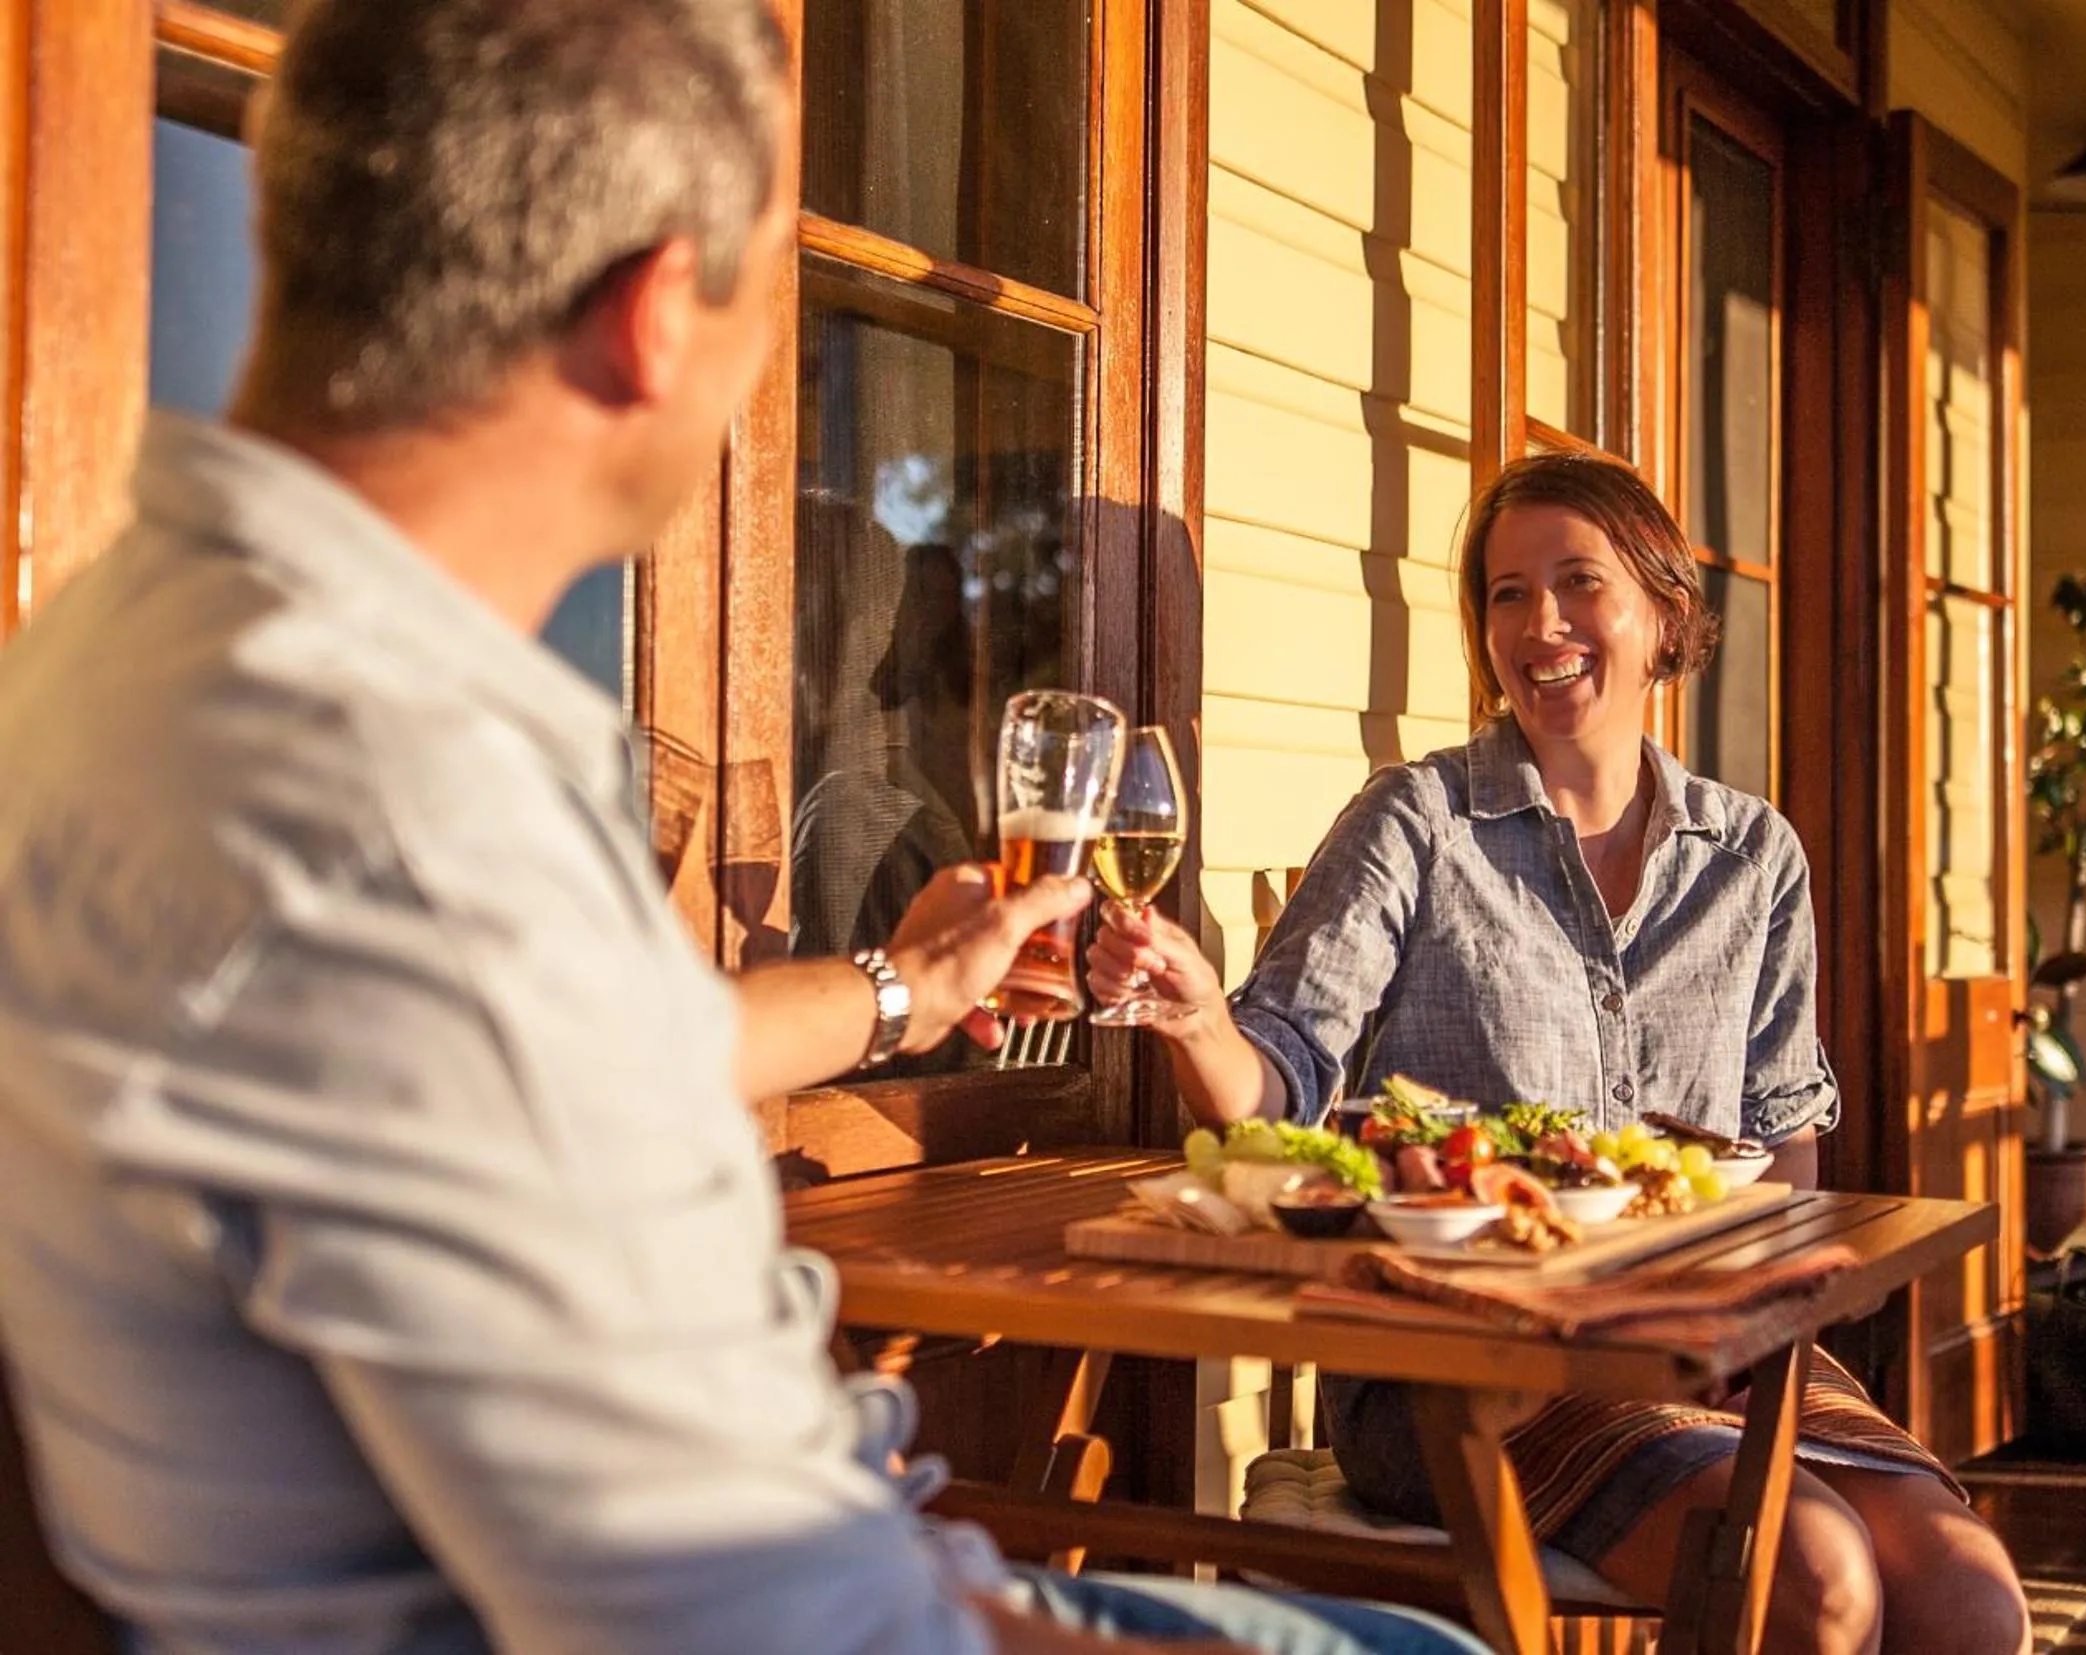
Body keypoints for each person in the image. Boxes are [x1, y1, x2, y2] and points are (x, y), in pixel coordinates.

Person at [0, 4, 1484, 1653]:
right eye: (765, 300)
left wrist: (906, 992)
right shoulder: (402, 807)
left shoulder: (114, 651)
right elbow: (787, 1625)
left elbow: (550, 1060)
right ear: (652, 318)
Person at [1088, 453, 2033, 1655]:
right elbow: (1274, 1076)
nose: (1539, 625)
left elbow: (1783, 1135)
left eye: (1577, 582)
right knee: (1813, 1575)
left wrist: (1748, 1325)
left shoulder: (1753, 859)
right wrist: (1193, 1019)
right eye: (1503, 593)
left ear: (1661, 616)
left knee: (1968, 1593)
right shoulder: (1417, 823)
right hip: (1460, 1362)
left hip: (1706, 1337)